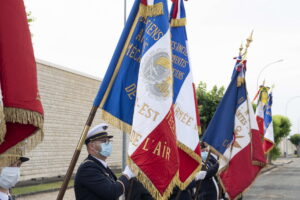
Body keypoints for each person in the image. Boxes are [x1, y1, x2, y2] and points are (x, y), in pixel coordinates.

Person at [74, 123, 135, 200]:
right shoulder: (87, 168)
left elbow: (116, 186)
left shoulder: (100, 165)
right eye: (104, 141)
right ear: (92, 146)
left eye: (109, 141)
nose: (108, 144)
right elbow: (112, 192)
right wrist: (127, 174)